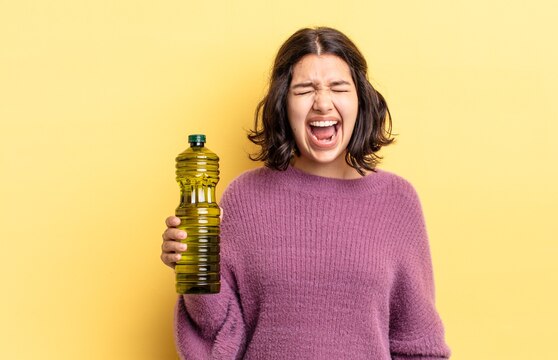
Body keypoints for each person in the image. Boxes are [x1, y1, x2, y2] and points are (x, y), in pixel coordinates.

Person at [161, 27, 451, 360]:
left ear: (361, 100)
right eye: (304, 90)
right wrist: (193, 269)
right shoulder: (244, 198)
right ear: (283, 103)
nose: (323, 103)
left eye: (338, 87)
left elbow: (419, 346)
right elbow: (220, 337)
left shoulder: (397, 201)